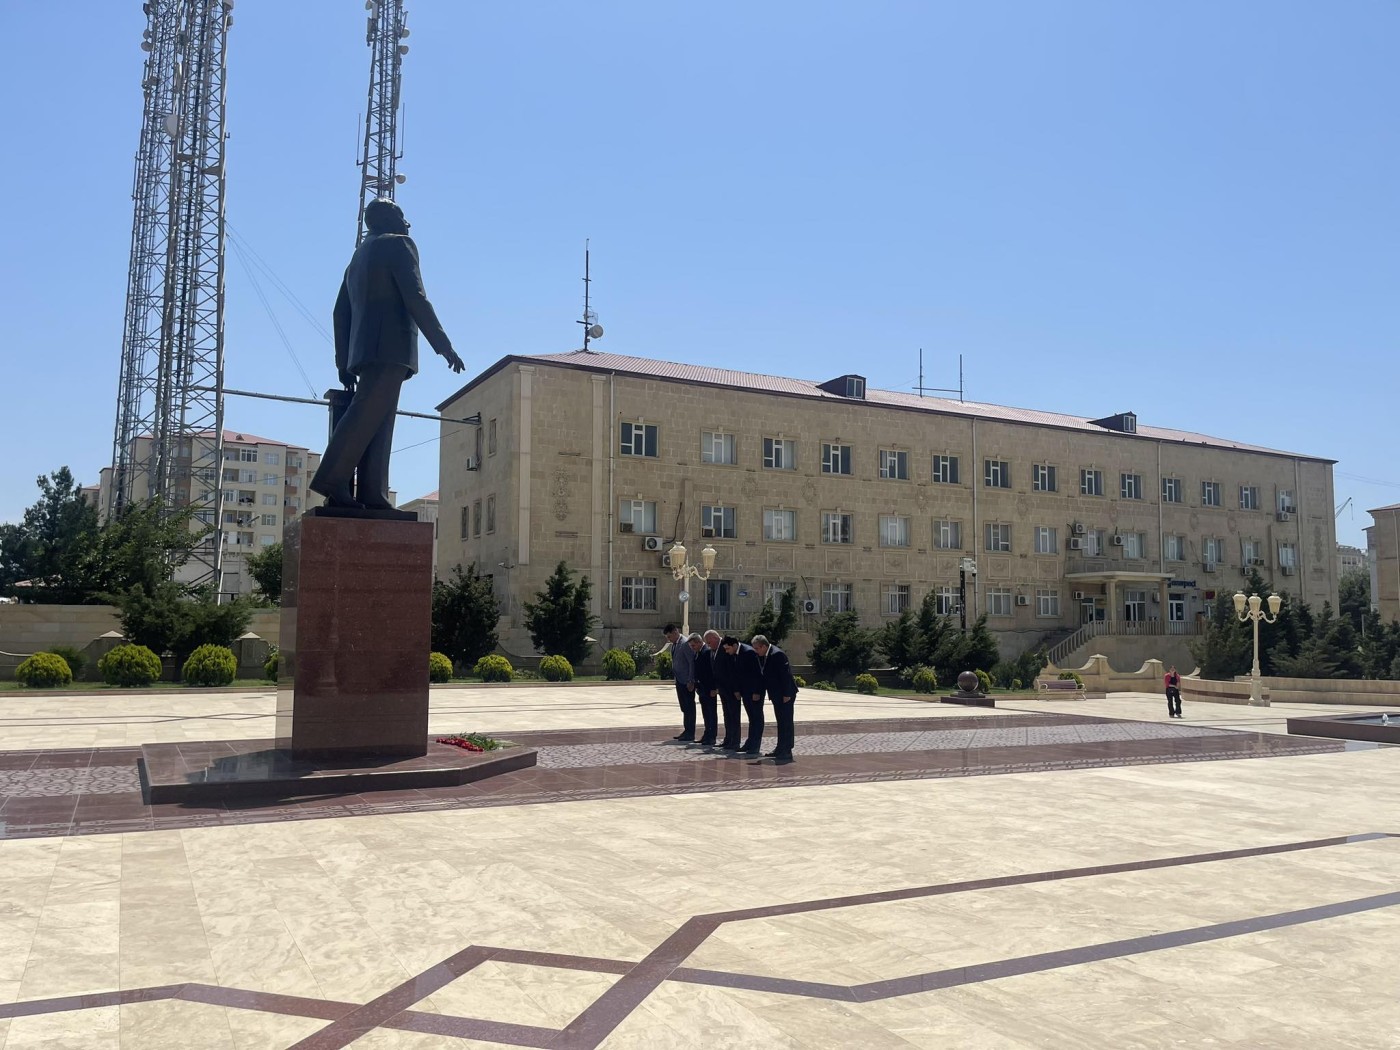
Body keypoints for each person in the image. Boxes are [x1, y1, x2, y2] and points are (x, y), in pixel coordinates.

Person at [310, 198, 465, 510]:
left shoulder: (357, 259)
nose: (408, 223)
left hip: (364, 350)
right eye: (402, 216)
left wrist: (343, 361)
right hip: (391, 347)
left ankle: (372, 492)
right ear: (389, 219)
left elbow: (340, 312)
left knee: (379, 420)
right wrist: (443, 344)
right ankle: (331, 479)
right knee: (366, 415)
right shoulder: (399, 245)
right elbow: (415, 297)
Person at [752, 634, 798, 762]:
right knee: (780, 722)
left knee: (786, 722)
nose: (755, 651)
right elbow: (763, 676)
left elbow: (786, 676)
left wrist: (787, 694)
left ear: (764, 646)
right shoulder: (764, 656)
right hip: (777, 694)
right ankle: (780, 748)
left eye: (757, 648)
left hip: (785, 694)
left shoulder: (777, 654)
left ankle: (787, 750)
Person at [722, 635, 765, 755]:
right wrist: (736, 690)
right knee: (751, 718)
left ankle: (755, 745)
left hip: (754, 691)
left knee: (757, 718)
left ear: (734, 645)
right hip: (745, 691)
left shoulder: (749, 653)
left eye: (727, 649)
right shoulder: (733, 655)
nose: (726, 651)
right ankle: (750, 743)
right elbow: (734, 673)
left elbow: (758, 673)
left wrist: (757, 692)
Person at [657, 624, 698, 741]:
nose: (669, 639)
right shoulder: (675, 644)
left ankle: (691, 732)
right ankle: (687, 730)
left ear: (675, 632)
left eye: (670, 636)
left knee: (689, 707)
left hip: (686, 681)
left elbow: (691, 662)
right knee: (684, 707)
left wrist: (691, 680)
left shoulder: (685, 643)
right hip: (679, 680)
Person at [711, 631, 741, 750]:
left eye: (709, 642)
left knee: (734, 715)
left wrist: (736, 689)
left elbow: (732, 671)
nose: (708, 645)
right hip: (723, 689)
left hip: (731, 689)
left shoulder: (726, 650)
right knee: (727, 715)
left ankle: (735, 741)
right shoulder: (719, 649)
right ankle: (728, 739)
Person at [691, 632, 719, 745]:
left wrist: (713, 688)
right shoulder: (697, 653)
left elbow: (711, 672)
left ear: (699, 643)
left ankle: (712, 736)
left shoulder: (707, 652)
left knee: (711, 713)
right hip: (702, 688)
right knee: (705, 713)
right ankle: (707, 734)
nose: (692, 648)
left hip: (709, 688)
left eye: (693, 645)